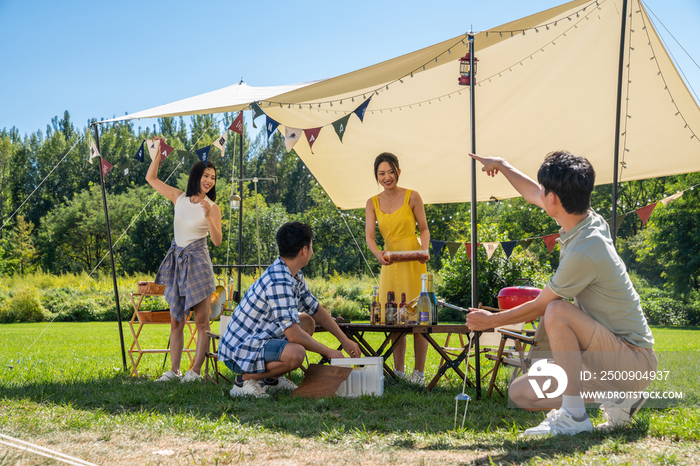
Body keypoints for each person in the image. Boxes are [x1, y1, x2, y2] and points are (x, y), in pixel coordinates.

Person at [467, 150, 657, 436]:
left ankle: (574, 416)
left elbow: (540, 306)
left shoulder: (585, 249)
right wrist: (503, 165)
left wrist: (489, 321)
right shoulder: (586, 220)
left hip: (633, 360)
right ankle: (619, 398)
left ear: (553, 199)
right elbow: (532, 191)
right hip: (607, 356)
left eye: (544, 191)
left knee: (556, 310)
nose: (538, 193)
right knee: (521, 392)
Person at [218, 221, 362, 398]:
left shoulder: (293, 274)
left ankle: (272, 381)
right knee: (296, 353)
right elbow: (293, 335)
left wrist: (344, 339)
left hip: (258, 341)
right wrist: (329, 351)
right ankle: (243, 381)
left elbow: (315, 309)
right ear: (304, 250)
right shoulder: (279, 280)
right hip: (240, 351)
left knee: (307, 321)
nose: (312, 251)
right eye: (311, 246)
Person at [146, 138, 222, 383]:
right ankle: (175, 371)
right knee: (176, 320)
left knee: (201, 322)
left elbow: (217, 240)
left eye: (213, 178)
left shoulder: (213, 207)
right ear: (196, 176)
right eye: (206, 176)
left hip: (198, 262)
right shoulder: (178, 197)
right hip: (179, 262)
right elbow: (152, 179)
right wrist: (158, 154)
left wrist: (209, 216)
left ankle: (195, 372)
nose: (209, 181)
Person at [365, 152, 430, 385]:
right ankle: (399, 371)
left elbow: (423, 228)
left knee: (418, 318)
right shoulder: (372, 202)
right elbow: (370, 237)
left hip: (413, 261)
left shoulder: (413, 196)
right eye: (381, 173)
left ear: (398, 172)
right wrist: (377, 254)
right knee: (394, 319)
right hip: (389, 262)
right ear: (377, 176)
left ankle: (419, 373)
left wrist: (425, 249)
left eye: (391, 172)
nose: (387, 177)